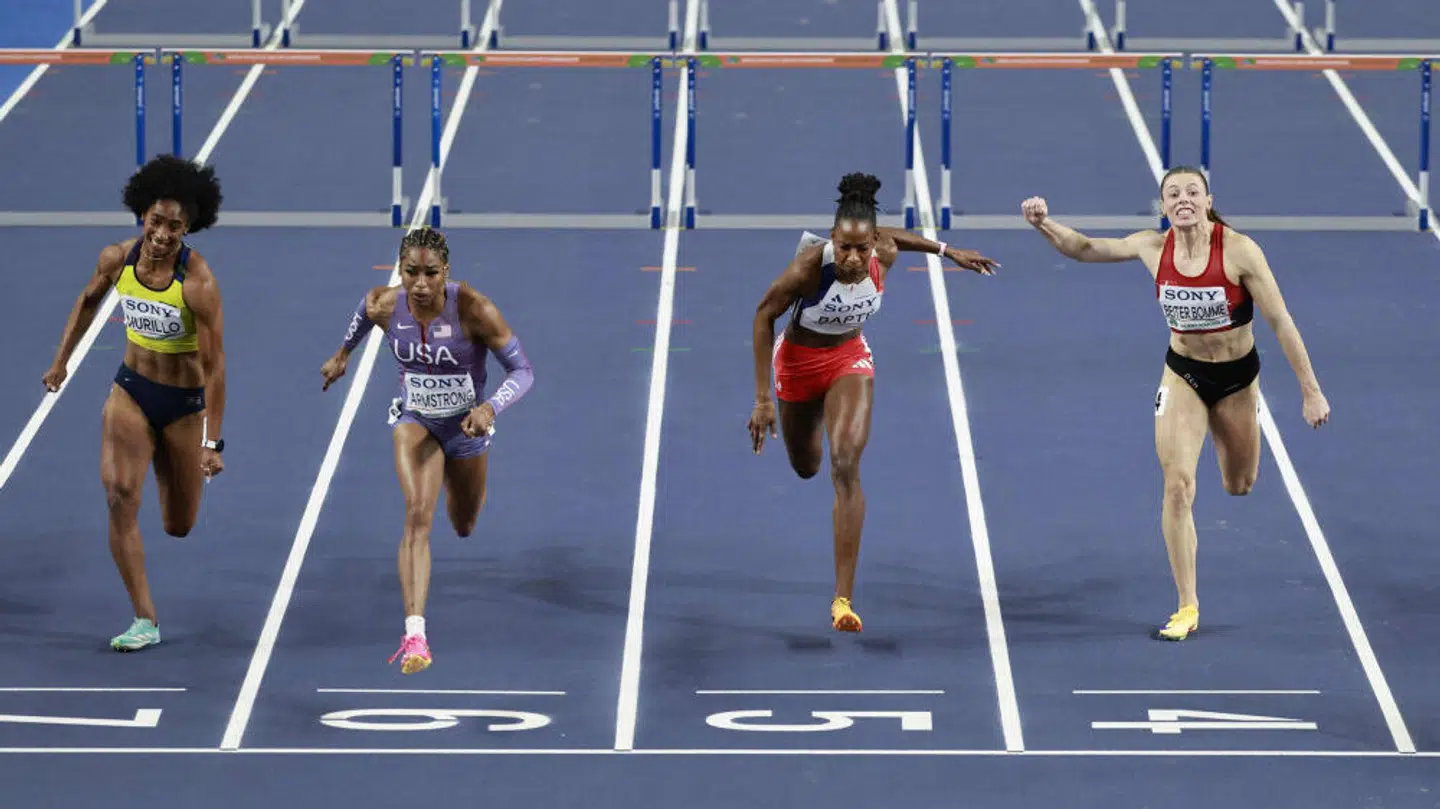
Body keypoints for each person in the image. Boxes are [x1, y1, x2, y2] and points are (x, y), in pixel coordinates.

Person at [1021, 165, 1330, 641]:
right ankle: (1187, 604)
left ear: (1207, 201)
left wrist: (1310, 390)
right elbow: (1084, 249)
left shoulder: (1240, 251)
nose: (1182, 199)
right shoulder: (1152, 246)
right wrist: (1044, 223)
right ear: (1163, 206)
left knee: (1239, 485)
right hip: (1182, 373)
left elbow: (1281, 321)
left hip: (1236, 380)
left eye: (1192, 192)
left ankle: (1240, 430)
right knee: (1178, 487)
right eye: (1173, 194)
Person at [748, 173, 999, 632]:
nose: (852, 258)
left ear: (873, 245)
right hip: (798, 367)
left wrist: (947, 252)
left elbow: (895, 237)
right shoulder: (808, 269)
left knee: (845, 465)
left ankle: (842, 599)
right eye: (844, 247)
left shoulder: (882, 252)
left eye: (861, 249)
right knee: (807, 466)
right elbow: (764, 315)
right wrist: (763, 398)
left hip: (848, 359)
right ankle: (816, 417)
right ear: (832, 240)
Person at [321, 226, 534, 675]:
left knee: (463, 524)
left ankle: (461, 495)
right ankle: (415, 634)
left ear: (446, 272)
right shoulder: (384, 303)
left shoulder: (475, 309)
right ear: (400, 270)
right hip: (415, 422)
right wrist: (343, 354)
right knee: (418, 513)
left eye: (430, 274)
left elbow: (523, 370)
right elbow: (363, 313)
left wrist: (490, 408)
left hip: (467, 428)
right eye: (410, 272)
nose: (419, 284)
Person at [42, 155, 228, 652]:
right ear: (142, 216)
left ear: (189, 228)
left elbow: (215, 369)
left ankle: (181, 482)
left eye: (176, 226)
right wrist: (60, 361)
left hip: (185, 406)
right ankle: (144, 617)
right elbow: (86, 302)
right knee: (120, 495)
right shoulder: (116, 259)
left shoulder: (198, 284)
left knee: (179, 524)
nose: (164, 234)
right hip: (132, 391)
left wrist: (212, 440)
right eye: (157, 221)